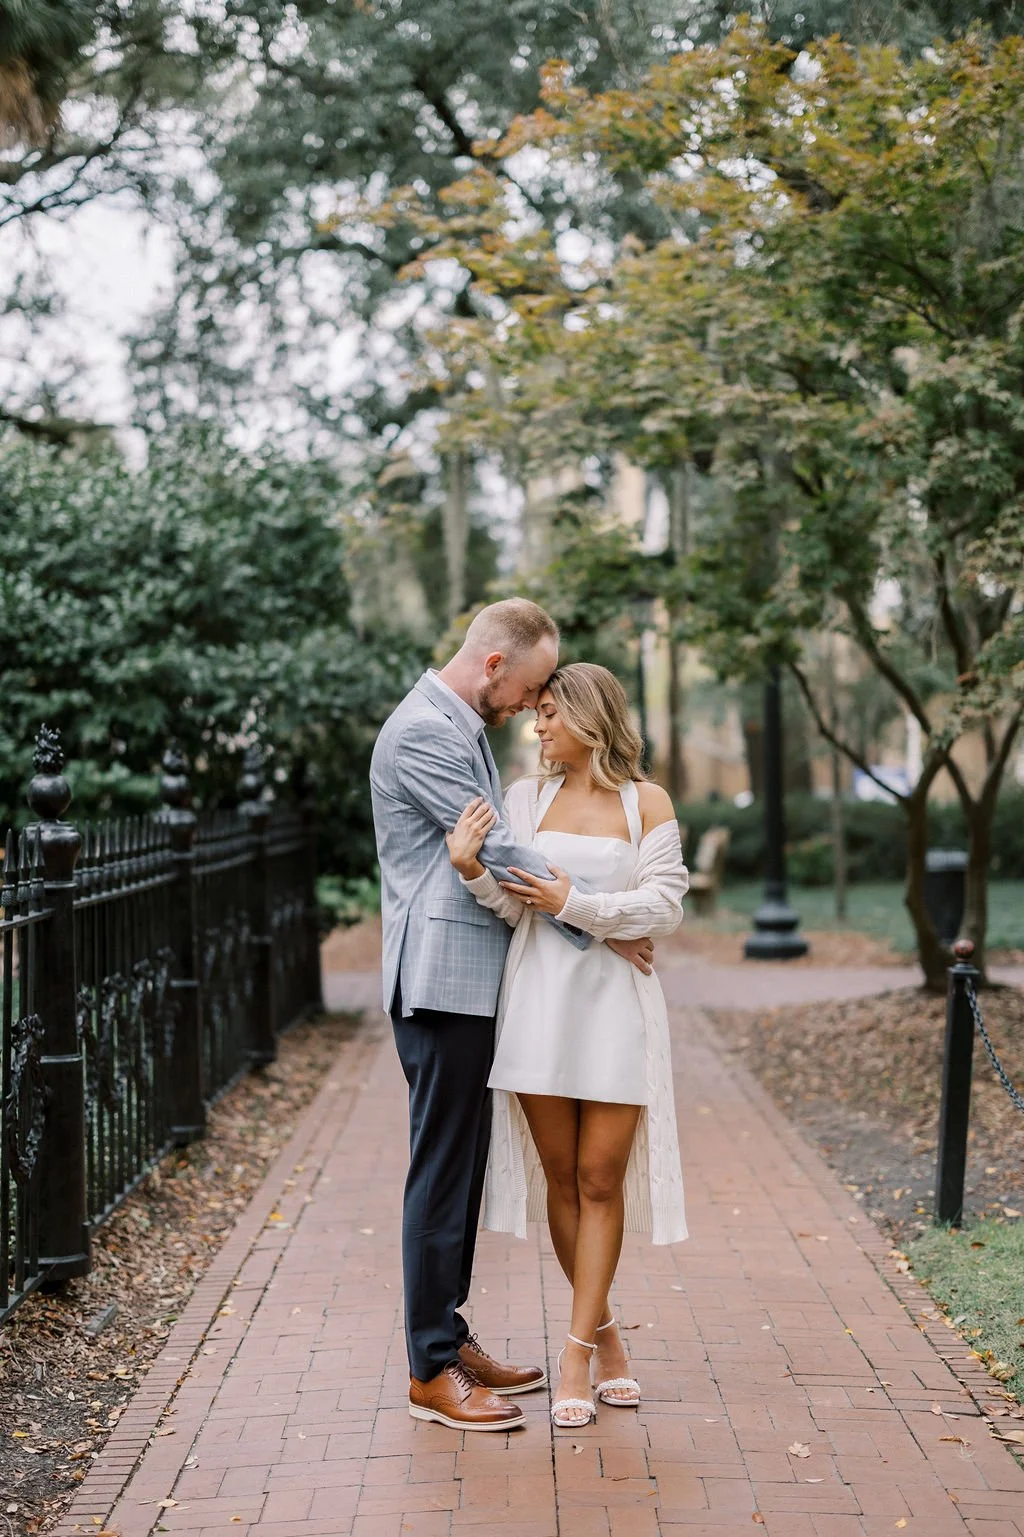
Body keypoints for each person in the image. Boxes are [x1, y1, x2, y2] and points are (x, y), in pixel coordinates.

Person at [370, 601, 655, 1432]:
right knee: (441, 1169)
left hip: (470, 982)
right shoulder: (425, 730)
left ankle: (448, 1338)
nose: (534, 706)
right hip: (441, 979)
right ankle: (430, 1367)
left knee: (459, 1167)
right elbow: (500, 851)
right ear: (495, 665)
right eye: (530, 687)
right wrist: (602, 918)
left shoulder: (457, 724)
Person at [446, 661, 688, 1429]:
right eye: (536, 710)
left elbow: (665, 903)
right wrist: (471, 869)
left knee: (600, 1178)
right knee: (561, 1176)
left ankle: (576, 1351)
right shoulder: (526, 796)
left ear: (590, 715)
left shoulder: (645, 800)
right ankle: (607, 1332)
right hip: (539, 1003)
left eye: (550, 711)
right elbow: (516, 904)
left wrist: (577, 905)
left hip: (616, 1011)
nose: (537, 723)